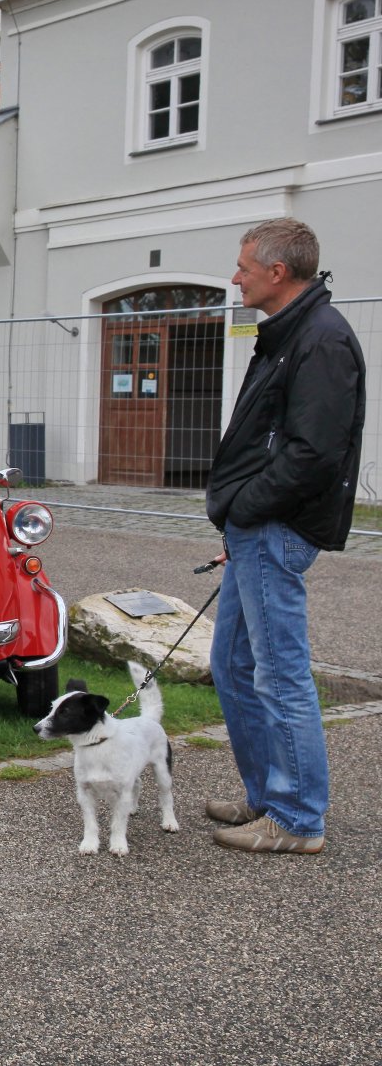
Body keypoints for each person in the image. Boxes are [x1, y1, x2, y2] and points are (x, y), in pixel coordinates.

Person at [204, 218, 366, 854]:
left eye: (244, 267)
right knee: (232, 664)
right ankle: (267, 795)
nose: (235, 277)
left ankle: (297, 819)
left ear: (277, 272)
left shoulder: (321, 339)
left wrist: (246, 508)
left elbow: (312, 453)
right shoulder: (287, 333)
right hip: (255, 527)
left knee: (279, 674)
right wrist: (239, 517)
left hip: (276, 526)